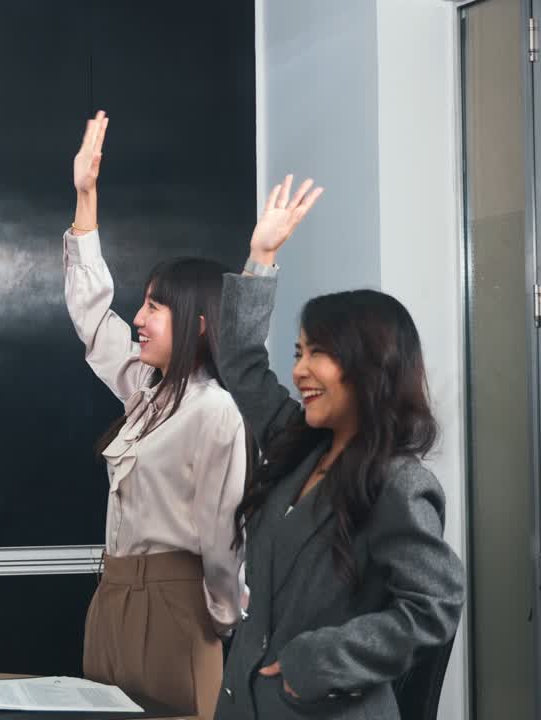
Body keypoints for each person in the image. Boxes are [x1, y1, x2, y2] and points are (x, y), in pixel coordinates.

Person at [214, 176, 466, 719]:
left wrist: (320, 660)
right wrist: (261, 257)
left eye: (318, 353)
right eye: (298, 352)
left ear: (369, 364)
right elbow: (240, 363)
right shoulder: (296, 445)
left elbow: (435, 606)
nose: (299, 370)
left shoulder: (399, 482)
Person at [64, 111, 248, 720]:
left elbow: (222, 536)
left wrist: (220, 619)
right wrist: (85, 198)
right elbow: (93, 317)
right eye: (142, 304)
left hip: (176, 605)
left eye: (154, 308)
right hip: (114, 594)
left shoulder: (214, 409)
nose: (139, 319)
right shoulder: (147, 389)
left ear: (199, 322)